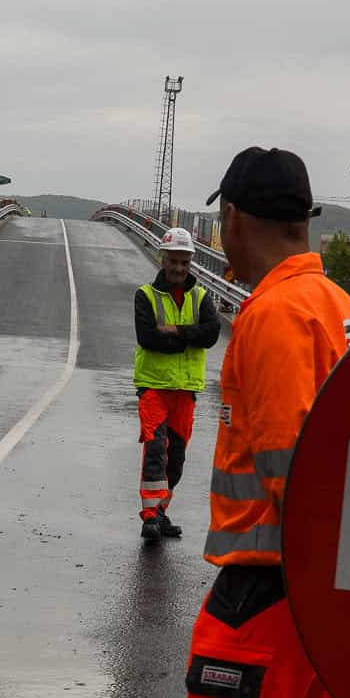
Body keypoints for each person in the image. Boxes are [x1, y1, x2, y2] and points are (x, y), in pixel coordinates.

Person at [87, 147, 350, 698]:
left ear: (234, 219)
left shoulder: (276, 314)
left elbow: (286, 460)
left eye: (220, 222)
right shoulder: (338, 306)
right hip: (320, 596)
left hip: (265, 583)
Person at [134, 227, 222, 543]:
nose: (178, 268)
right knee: (156, 450)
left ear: (190, 264)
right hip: (154, 388)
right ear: (163, 259)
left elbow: (211, 333)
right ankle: (149, 518)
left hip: (185, 391)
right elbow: (148, 338)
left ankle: (160, 511)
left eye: (184, 263)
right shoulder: (145, 295)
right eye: (173, 261)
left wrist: (174, 331)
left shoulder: (200, 297)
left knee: (177, 460)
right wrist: (189, 337)